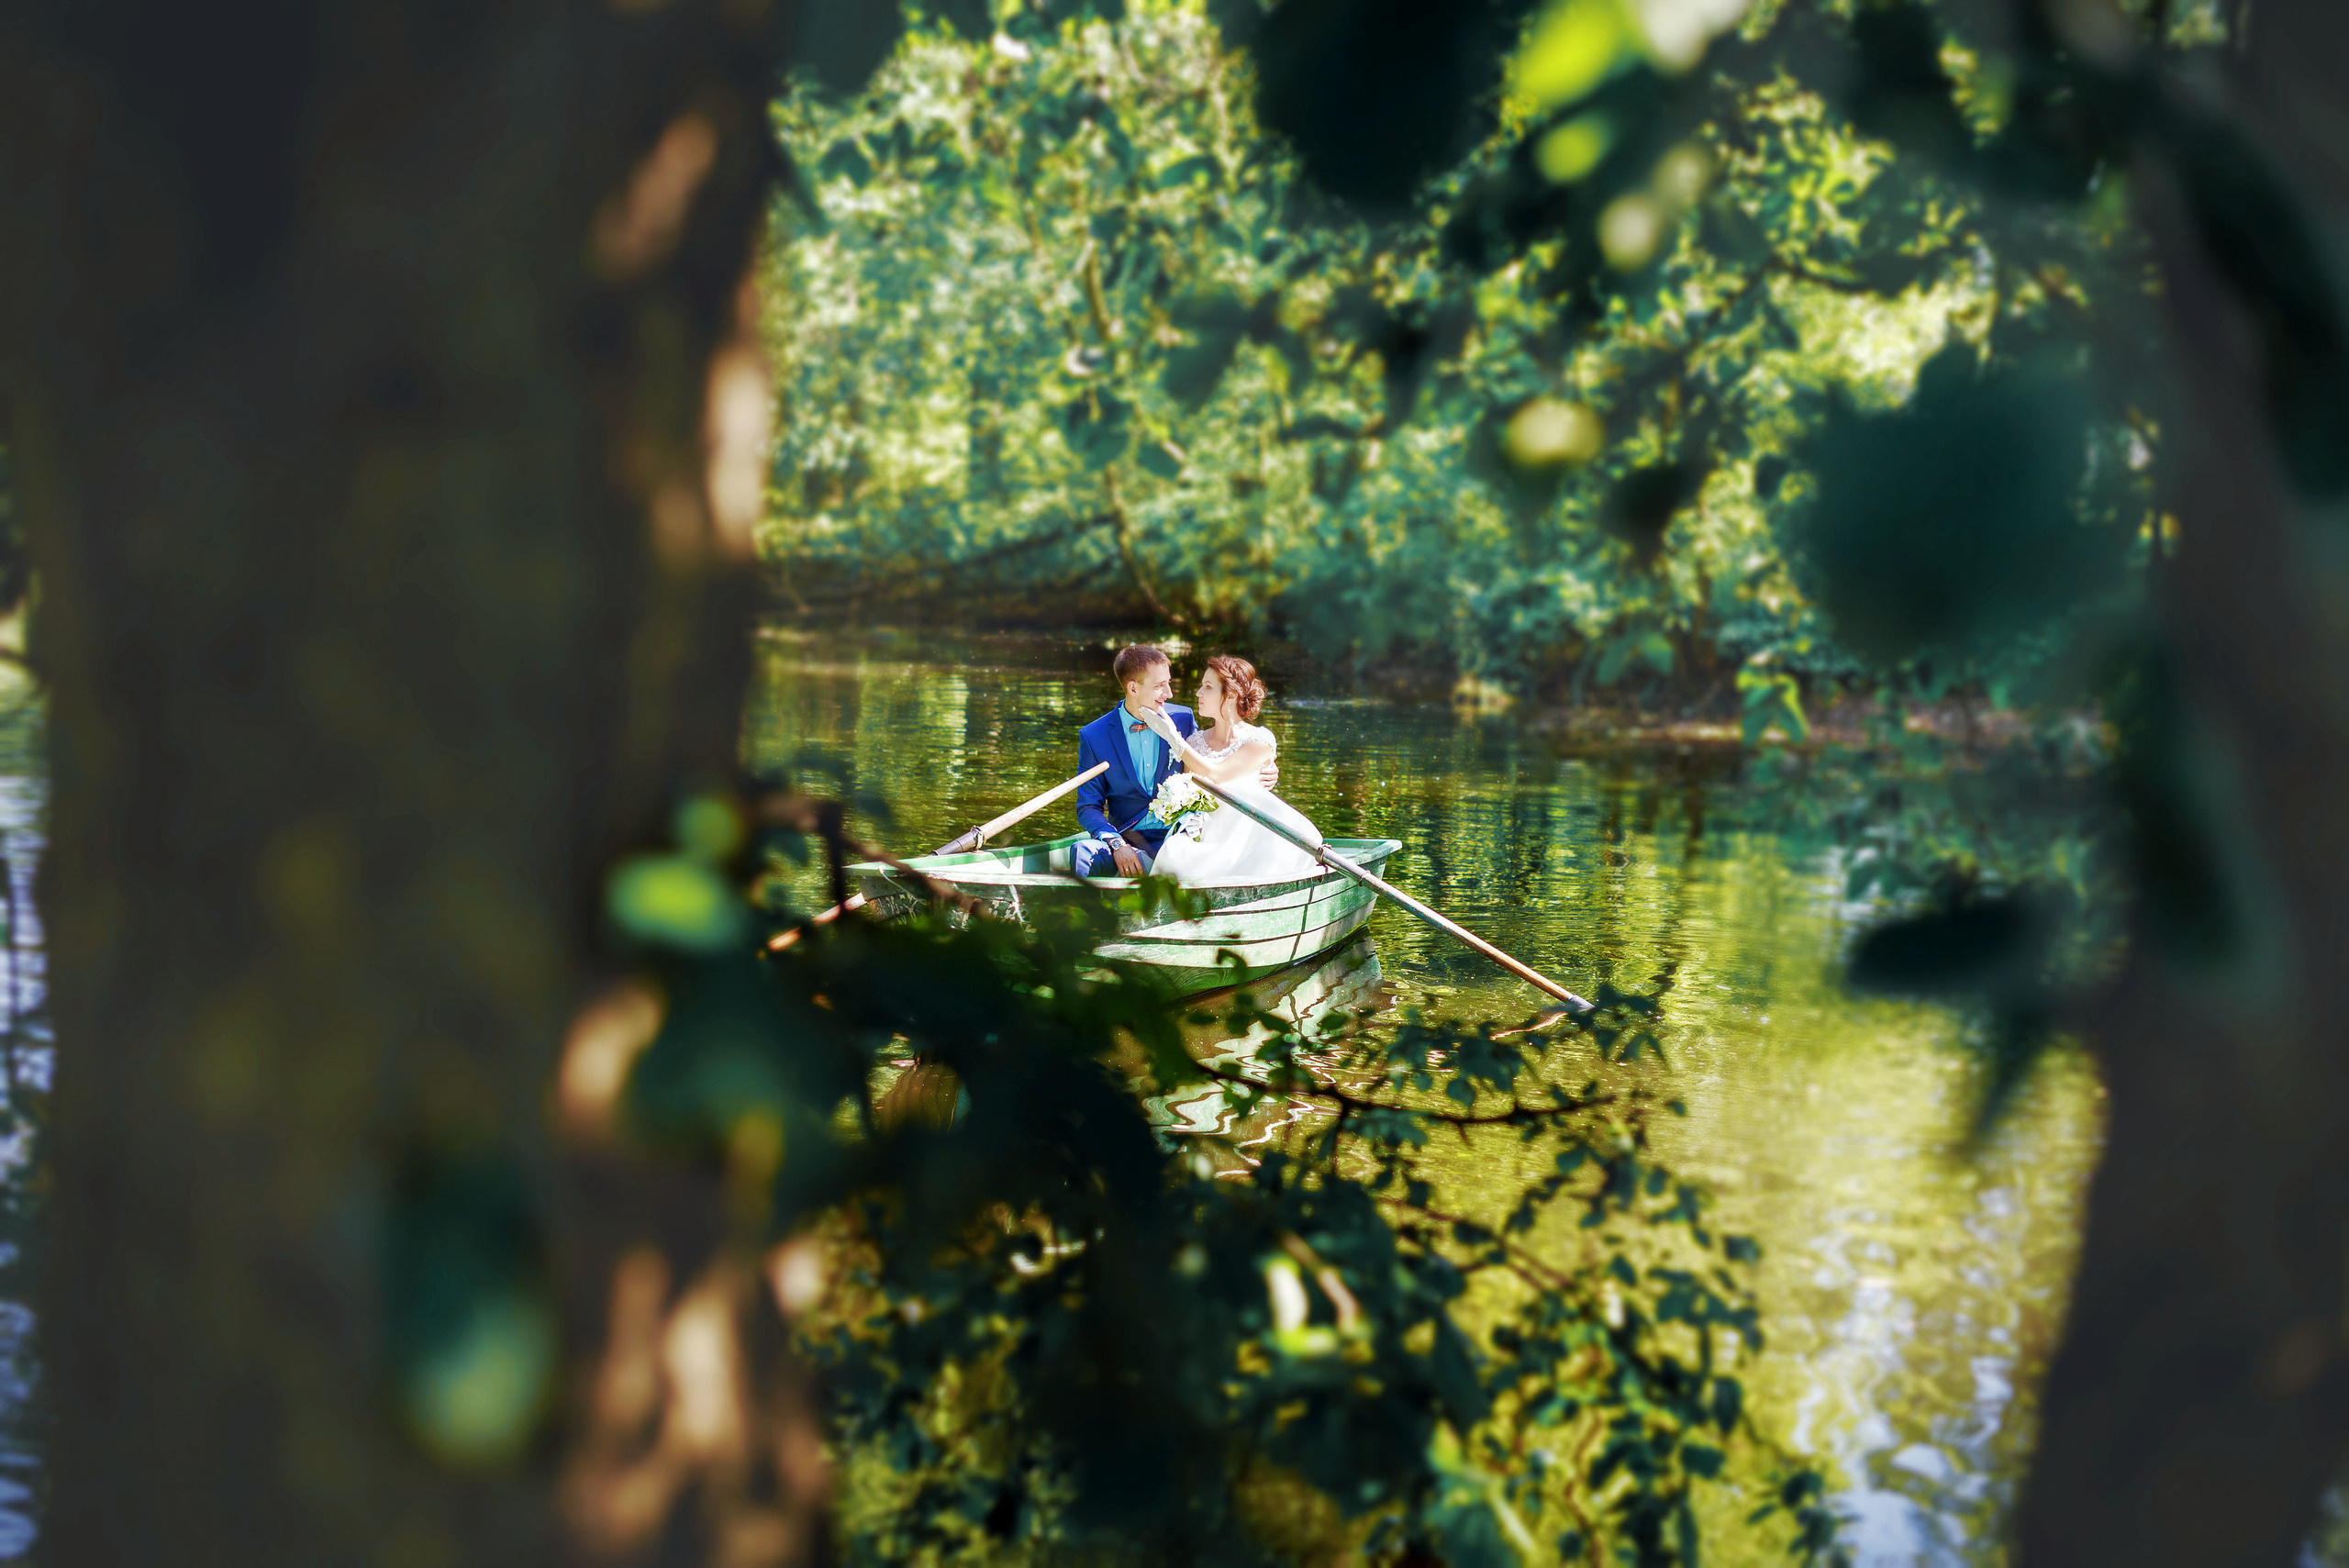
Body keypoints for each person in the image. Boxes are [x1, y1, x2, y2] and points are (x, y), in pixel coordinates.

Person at [1073, 646, 1278, 878]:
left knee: (1185, 854)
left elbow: (1212, 763)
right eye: (1160, 686)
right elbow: (1088, 806)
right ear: (1133, 688)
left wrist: (1265, 768)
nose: (1169, 693)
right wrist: (1118, 844)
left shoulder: (1182, 720)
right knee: (1081, 852)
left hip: (1179, 835)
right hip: (1128, 836)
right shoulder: (1094, 735)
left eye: (1168, 683)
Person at [1138, 654, 1324, 886]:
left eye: (1207, 687)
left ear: (1232, 695)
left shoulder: (1260, 739)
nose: (1198, 693)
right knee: (1175, 852)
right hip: (1205, 832)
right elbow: (1188, 789)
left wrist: (1173, 739)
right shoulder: (1195, 742)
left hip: (1248, 836)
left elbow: (1217, 775)